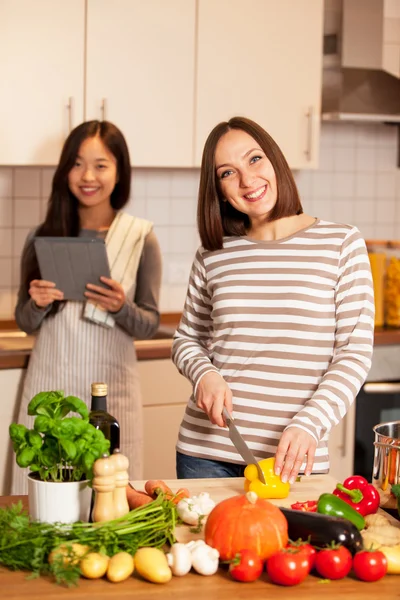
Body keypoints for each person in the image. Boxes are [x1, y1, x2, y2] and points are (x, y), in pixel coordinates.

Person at [172, 116, 374, 484]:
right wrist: (204, 374)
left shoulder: (341, 243)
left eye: (254, 159)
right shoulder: (213, 253)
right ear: (218, 190)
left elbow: (354, 353)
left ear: (275, 160)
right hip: (205, 455)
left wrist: (311, 424)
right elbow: (187, 339)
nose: (247, 181)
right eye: (227, 173)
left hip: (293, 457)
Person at [11, 120, 162, 494]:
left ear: (119, 172)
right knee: (46, 490)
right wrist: (38, 302)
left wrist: (120, 307)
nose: (87, 176)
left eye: (101, 164)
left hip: (111, 391)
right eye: (77, 164)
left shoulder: (140, 236)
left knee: (109, 495)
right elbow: (24, 321)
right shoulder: (42, 235)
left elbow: (149, 323)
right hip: (52, 381)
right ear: (65, 170)